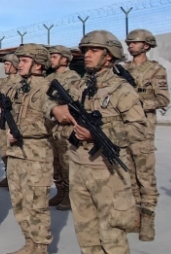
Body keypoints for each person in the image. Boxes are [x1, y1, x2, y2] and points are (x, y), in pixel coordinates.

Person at [51, 31, 144, 253]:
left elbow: (139, 129)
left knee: (112, 235)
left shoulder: (122, 89)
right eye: (85, 51)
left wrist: (99, 134)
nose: (87, 55)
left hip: (107, 171)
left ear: (109, 55)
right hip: (78, 167)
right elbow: (46, 101)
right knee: (85, 232)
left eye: (94, 50)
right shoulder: (80, 86)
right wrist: (55, 109)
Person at [4, 44, 54, 254]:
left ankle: (41, 247)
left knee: (37, 206)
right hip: (16, 154)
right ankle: (29, 243)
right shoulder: (20, 87)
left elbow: (51, 123)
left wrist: (20, 131)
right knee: (19, 203)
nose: (19, 64)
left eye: (24, 61)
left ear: (38, 65)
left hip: (36, 156)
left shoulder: (49, 88)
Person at [124, 29, 170, 241]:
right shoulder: (122, 69)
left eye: (135, 42)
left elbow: (163, 99)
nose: (131, 45)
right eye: (129, 42)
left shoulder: (155, 70)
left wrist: (138, 103)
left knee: (145, 179)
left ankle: (148, 222)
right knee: (130, 177)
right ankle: (135, 218)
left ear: (146, 46)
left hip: (143, 130)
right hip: (124, 130)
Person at [45, 45, 80, 211]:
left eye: (54, 56)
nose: (51, 59)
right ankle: (60, 191)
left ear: (64, 59)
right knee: (55, 163)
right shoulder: (49, 78)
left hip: (65, 128)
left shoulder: (73, 78)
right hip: (51, 127)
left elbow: (74, 101)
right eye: (50, 56)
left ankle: (69, 196)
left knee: (67, 163)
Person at [0, 54, 21, 188]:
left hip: (13, 121)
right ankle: (7, 175)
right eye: (4, 64)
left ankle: (15, 178)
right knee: (3, 151)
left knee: (13, 151)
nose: (5, 66)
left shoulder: (20, 82)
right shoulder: (2, 82)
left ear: (15, 65)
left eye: (7, 64)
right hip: (3, 121)